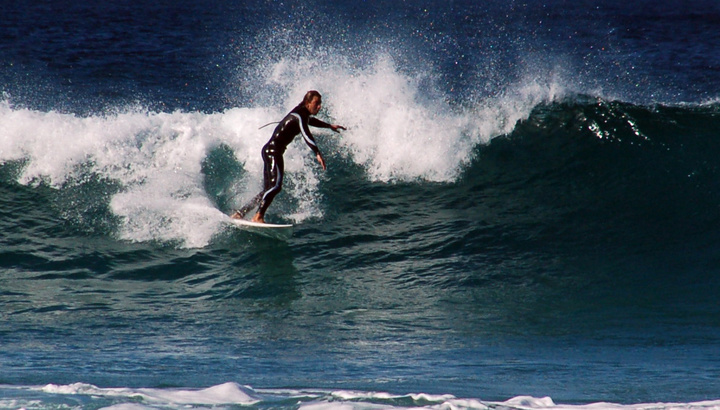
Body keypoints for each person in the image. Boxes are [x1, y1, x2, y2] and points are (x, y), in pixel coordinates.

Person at [232, 90, 346, 223]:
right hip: (273, 152)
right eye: (316, 103)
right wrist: (317, 152)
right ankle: (258, 217)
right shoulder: (300, 115)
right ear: (307, 103)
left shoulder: (303, 113)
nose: (319, 106)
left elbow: (310, 121)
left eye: (320, 103)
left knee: (268, 189)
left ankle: (240, 213)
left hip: (271, 151)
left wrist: (329, 126)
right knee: (275, 187)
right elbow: (306, 133)